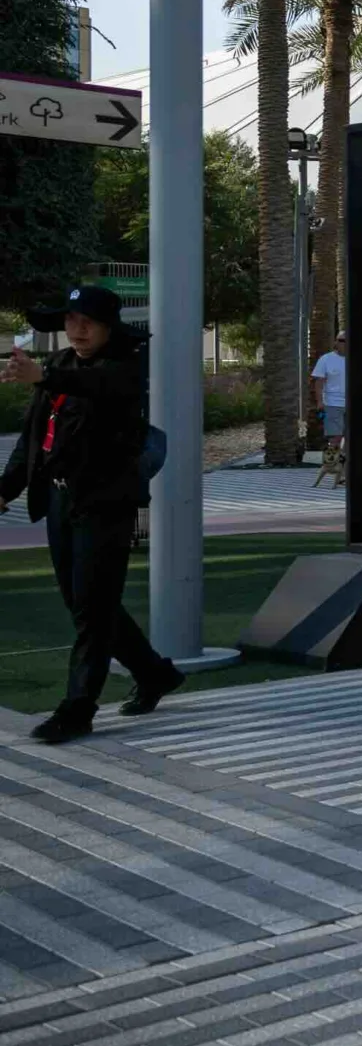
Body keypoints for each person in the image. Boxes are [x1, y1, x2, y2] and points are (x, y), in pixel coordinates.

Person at [0, 284, 183, 743]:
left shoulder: (124, 367)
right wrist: (4, 490)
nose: (77, 330)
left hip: (106, 503)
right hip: (61, 500)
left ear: (108, 328)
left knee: (92, 608)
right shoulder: (60, 366)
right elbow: (32, 440)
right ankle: (153, 673)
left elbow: (99, 386)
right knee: (87, 605)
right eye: (70, 320)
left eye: (88, 322)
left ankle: (77, 709)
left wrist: (41, 376)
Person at [308, 331, 349, 482]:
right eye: (341, 340)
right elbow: (318, 382)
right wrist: (320, 402)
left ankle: (343, 472)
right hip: (333, 404)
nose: (344, 343)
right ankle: (333, 470)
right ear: (336, 342)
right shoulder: (326, 359)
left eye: (347, 340)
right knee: (336, 438)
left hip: (353, 404)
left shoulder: (357, 358)